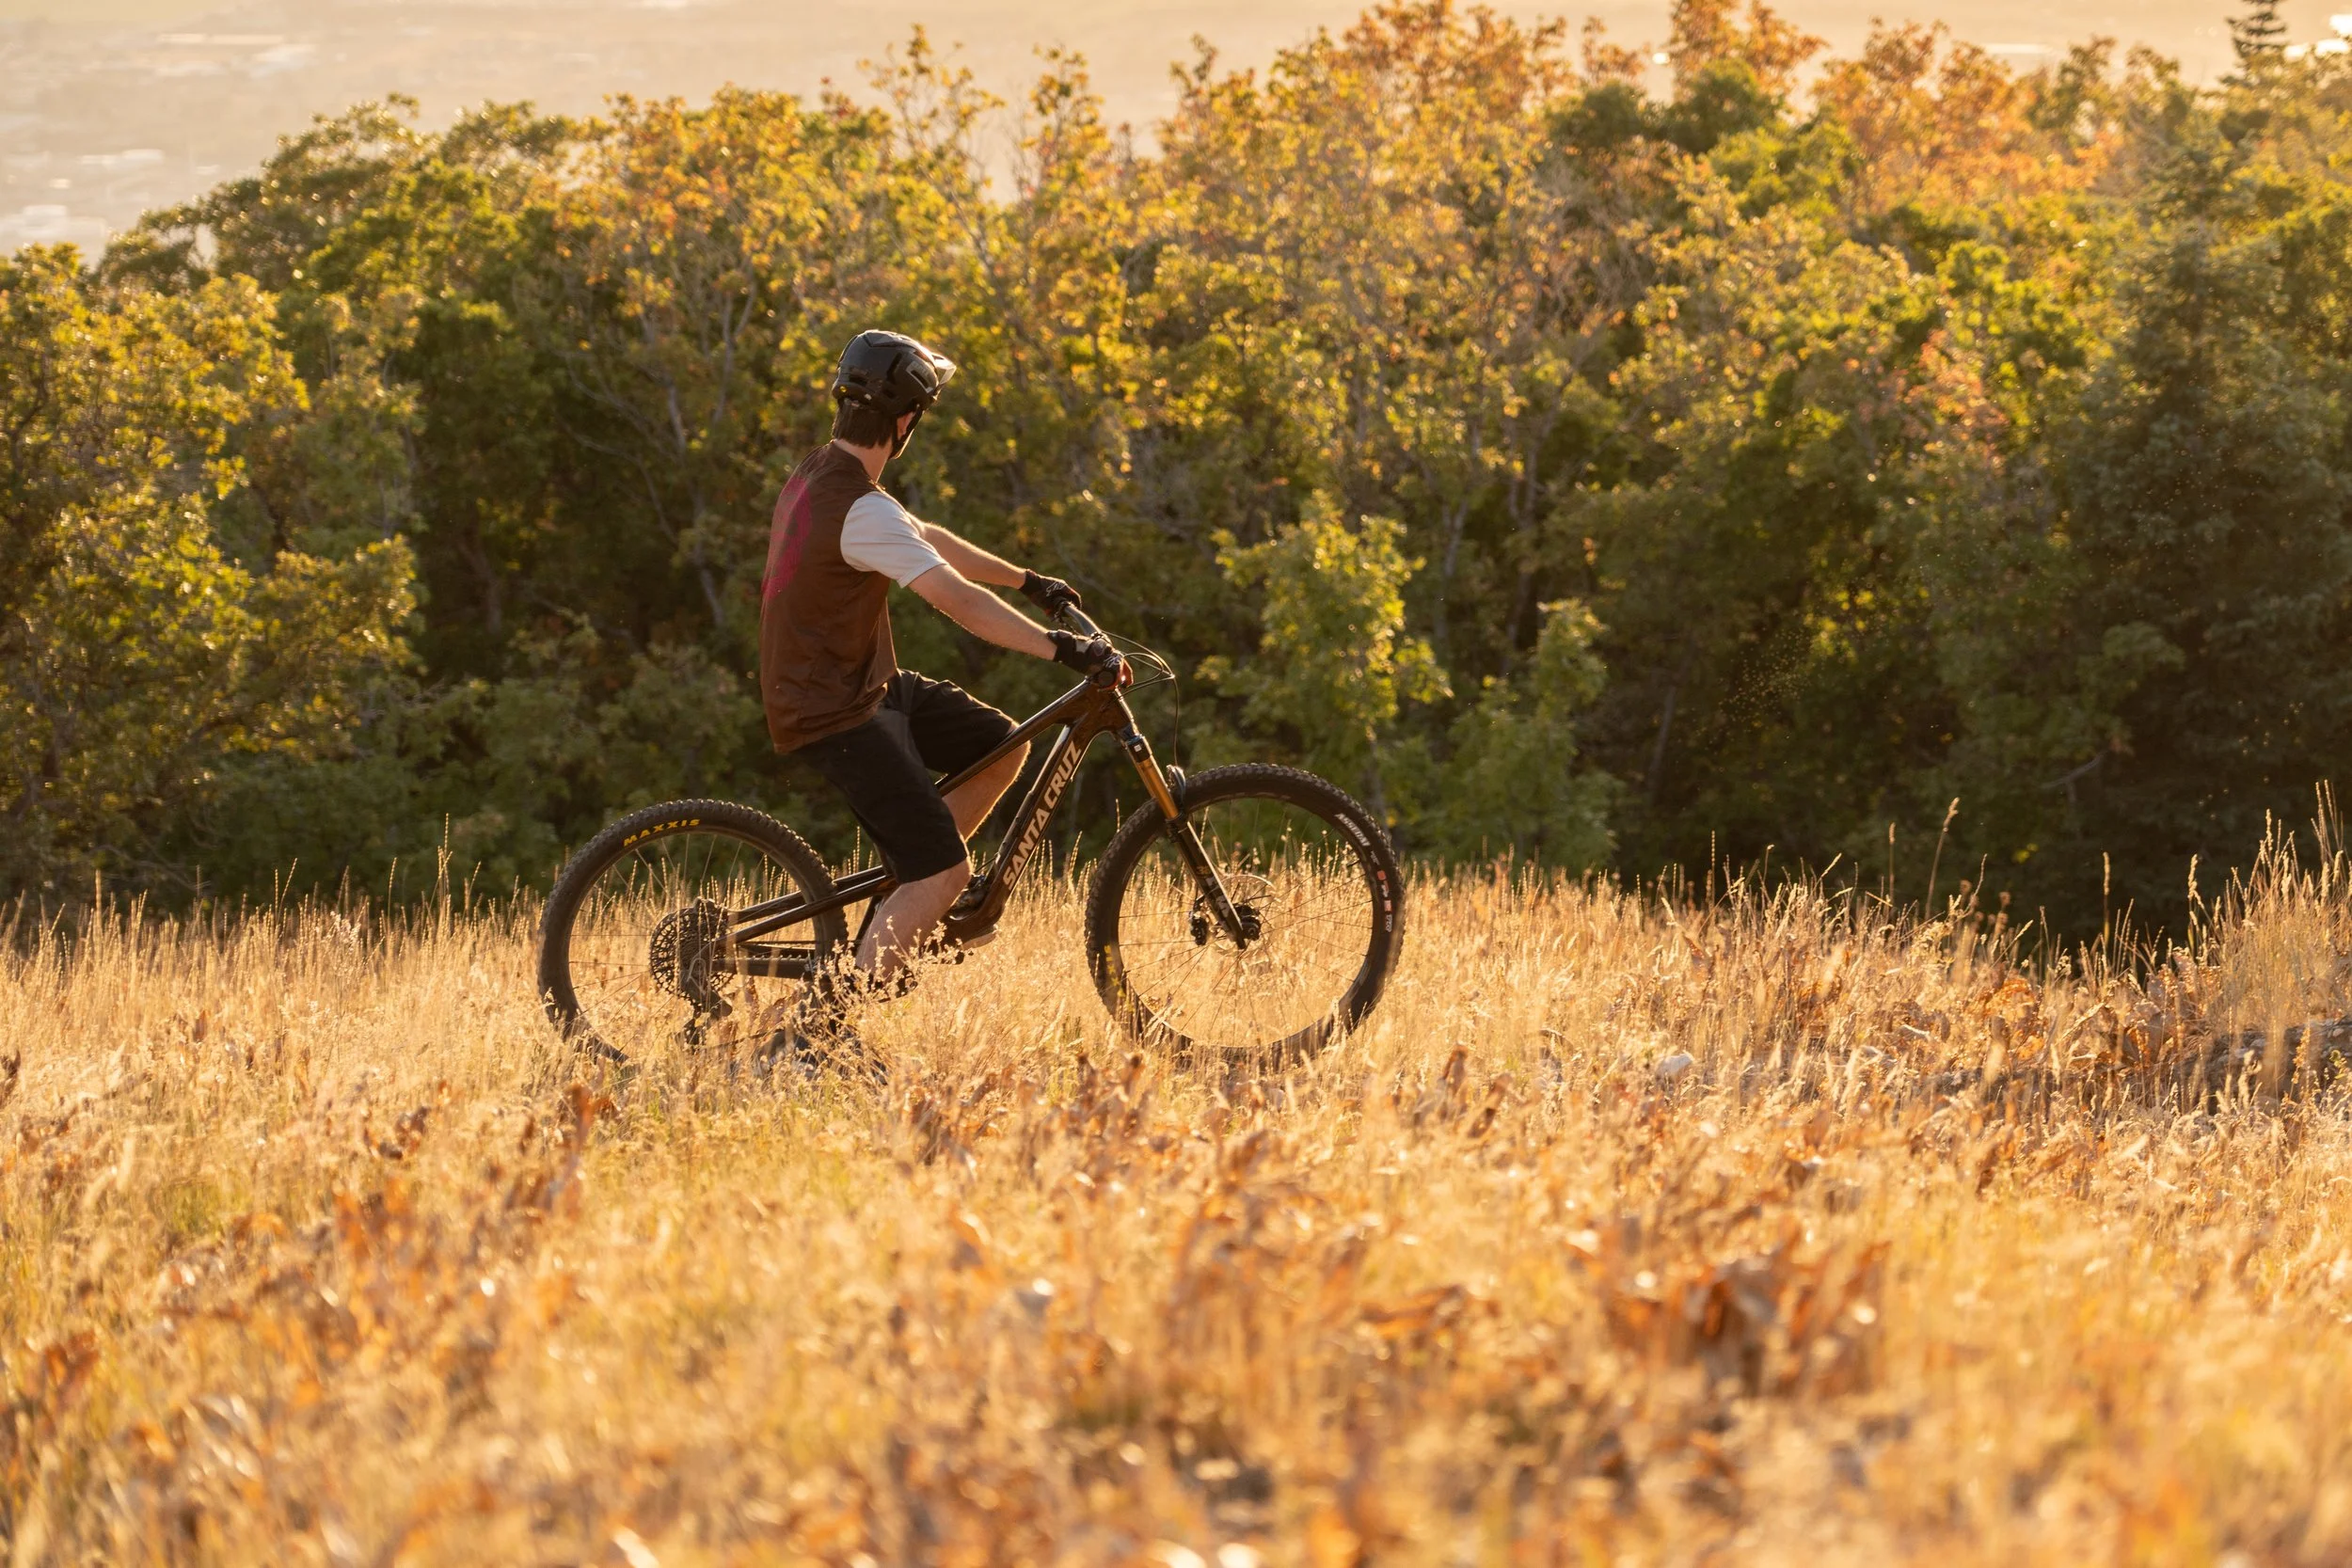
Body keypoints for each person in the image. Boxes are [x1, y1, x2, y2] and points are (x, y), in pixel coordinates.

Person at [758, 328, 1114, 1057]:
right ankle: (818, 1040)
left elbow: (927, 536)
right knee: (946, 868)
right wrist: (1063, 647)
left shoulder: (826, 476)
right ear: (905, 421)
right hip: (836, 710)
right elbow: (956, 600)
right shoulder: (862, 510)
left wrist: (1029, 581)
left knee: (999, 744)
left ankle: (907, 901)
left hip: (858, 682)